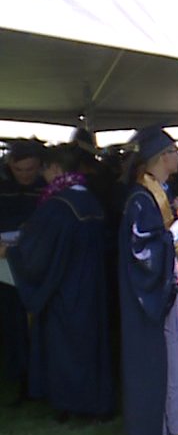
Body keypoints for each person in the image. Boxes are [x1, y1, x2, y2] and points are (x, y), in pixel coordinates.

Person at [2, 144, 113, 420]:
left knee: (67, 347)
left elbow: (37, 251)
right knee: (90, 346)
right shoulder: (88, 199)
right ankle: (96, 402)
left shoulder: (58, 205)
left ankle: (73, 406)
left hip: (65, 288)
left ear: (54, 168)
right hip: (92, 285)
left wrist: (10, 251)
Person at [116, 126, 178, 435]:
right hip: (151, 297)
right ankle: (159, 430)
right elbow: (145, 251)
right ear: (161, 157)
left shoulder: (160, 191)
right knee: (161, 360)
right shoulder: (140, 197)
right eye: (174, 152)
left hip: (170, 289)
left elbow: (163, 241)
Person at [0, 141, 44, 403]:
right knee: (12, 323)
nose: (25, 175)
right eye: (19, 170)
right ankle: (19, 378)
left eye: (30, 169)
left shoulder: (47, 190)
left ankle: (36, 378)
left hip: (35, 265)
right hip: (5, 265)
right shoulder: (3, 190)